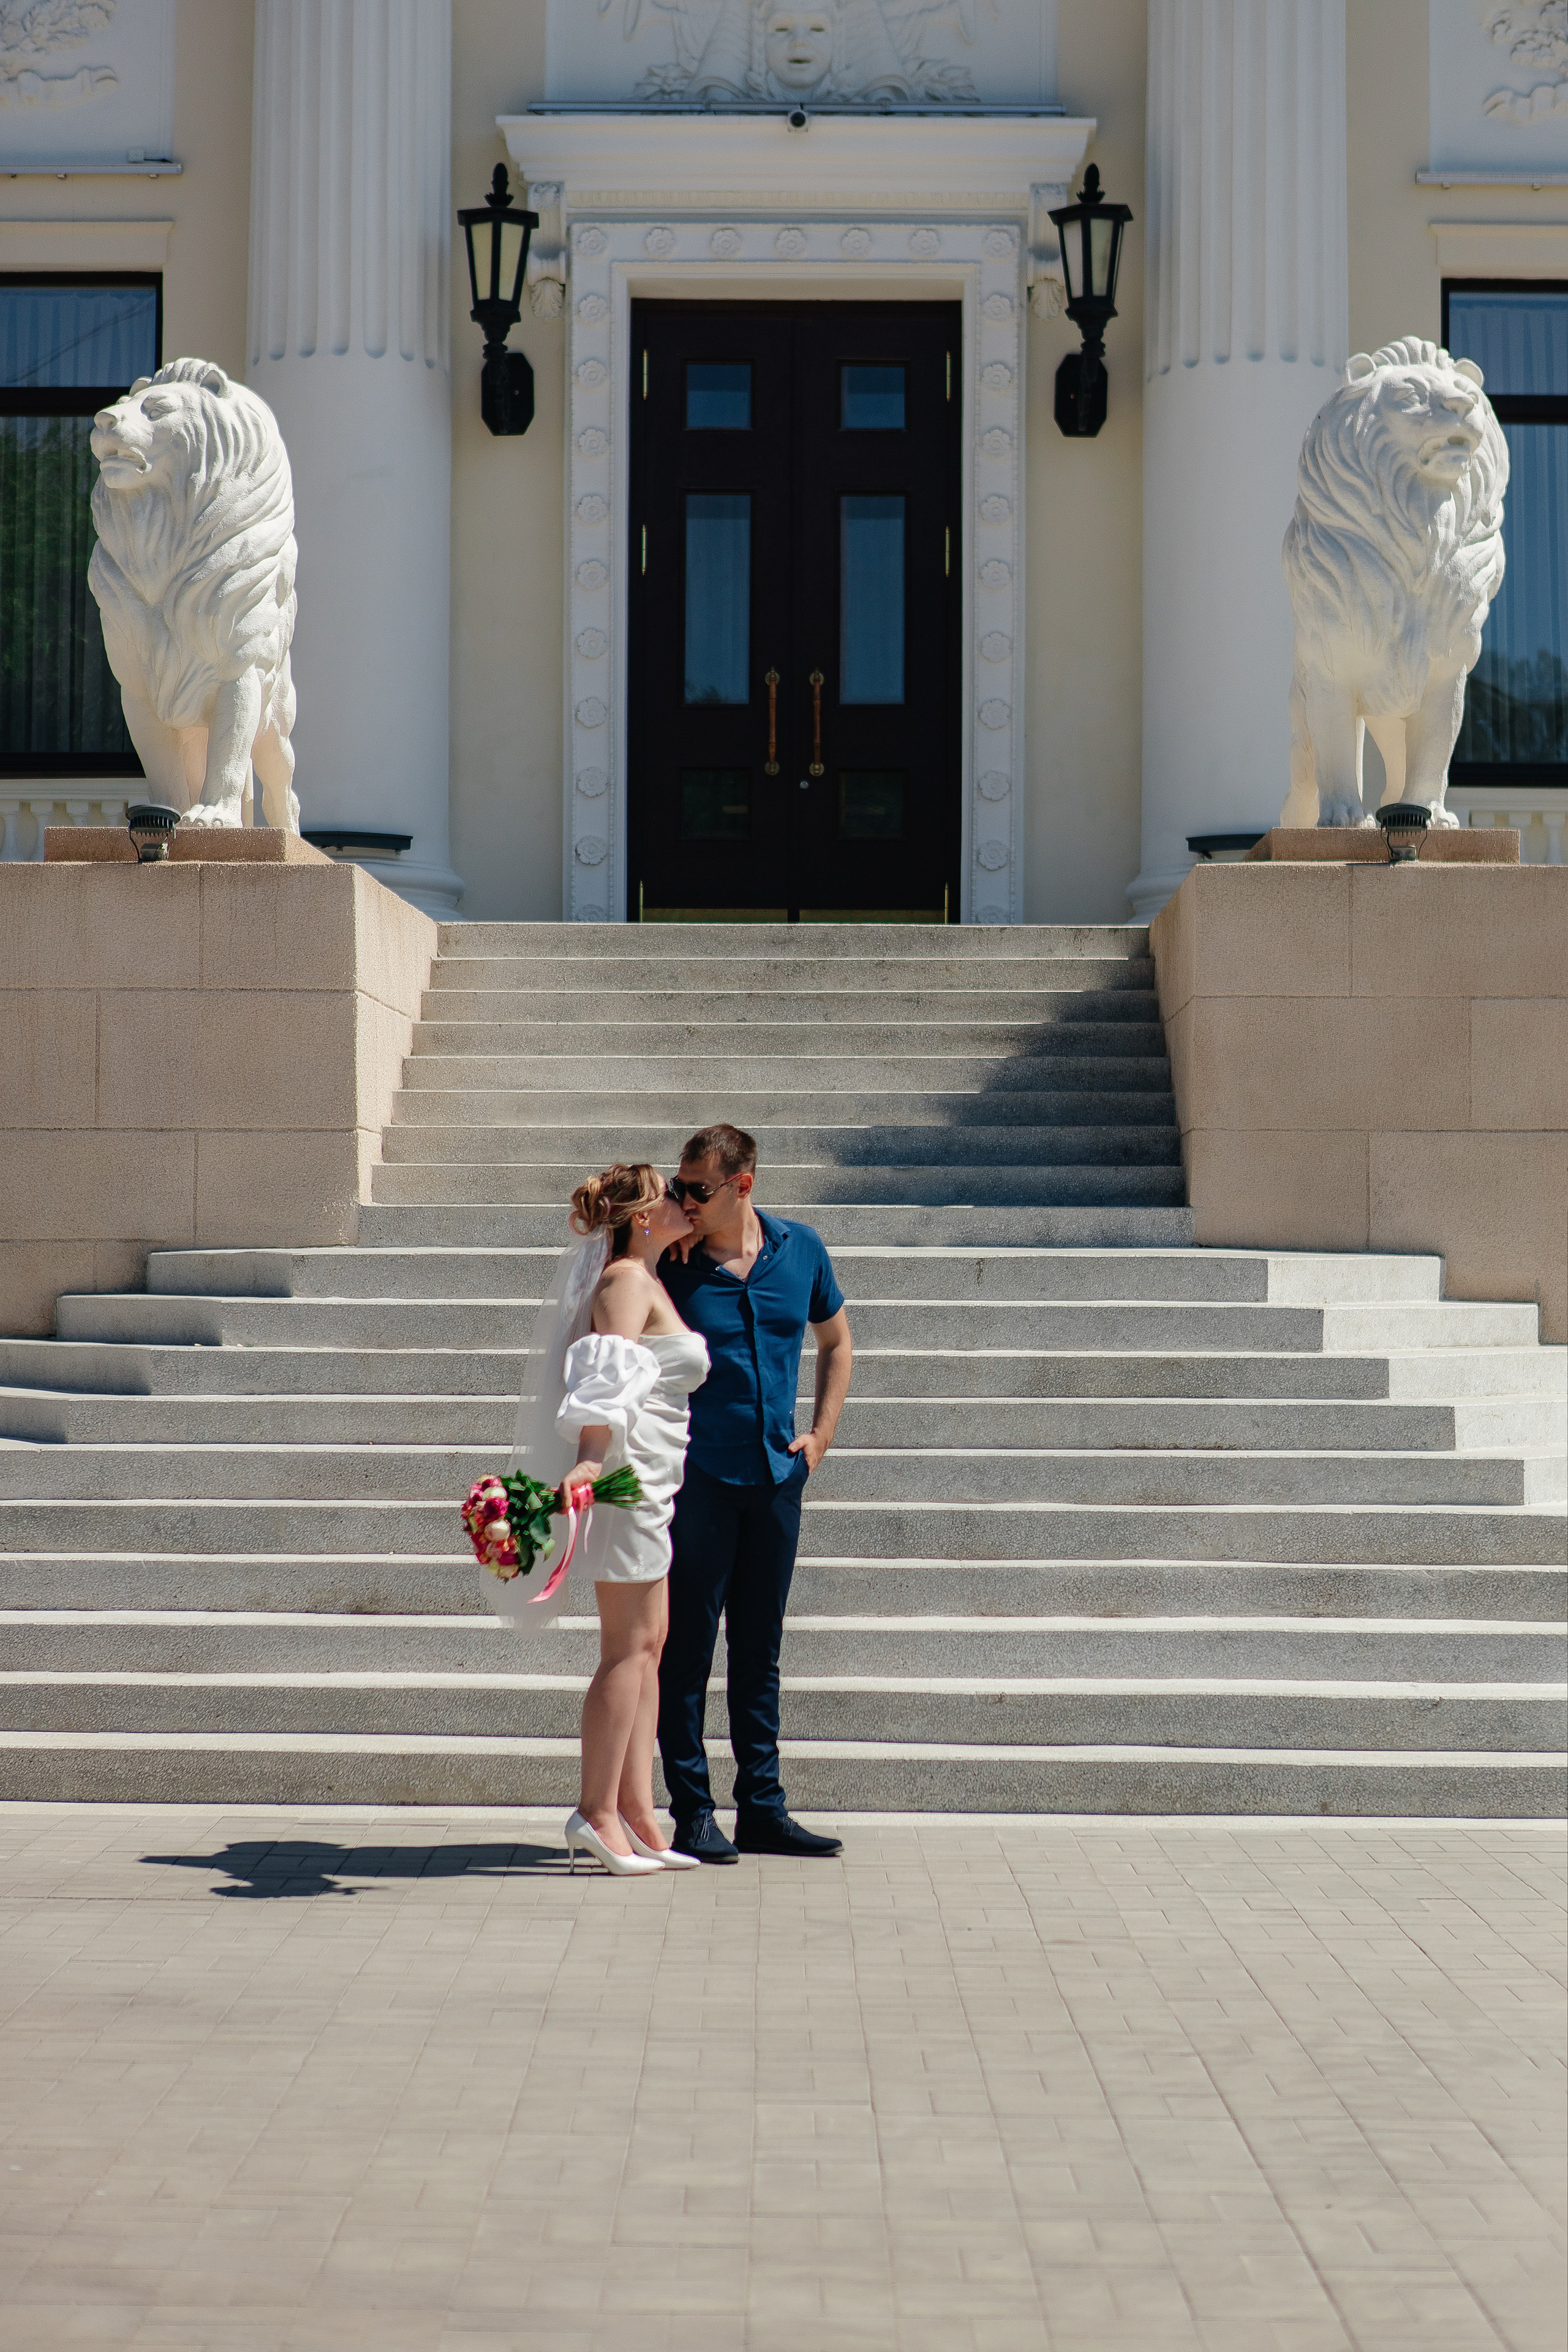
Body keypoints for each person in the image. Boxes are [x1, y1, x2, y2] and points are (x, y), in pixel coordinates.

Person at [656, 1122, 854, 1862]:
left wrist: (821, 1436)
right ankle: (692, 1812)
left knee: (759, 1649)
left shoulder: (800, 1250)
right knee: (686, 1650)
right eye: (679, 1187)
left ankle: (763, 1809)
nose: (684, 1201)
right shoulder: (670, 1266)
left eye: (697, 1190)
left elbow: (837, 1341)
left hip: (776, 1480)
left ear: (743, 1186)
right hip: (697, 1479)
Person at [506, 1163, 710, 1878]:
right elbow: (604, 1370)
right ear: (644, 1217)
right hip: (625, 1480)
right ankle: (595, 1811)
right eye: (675, 1195)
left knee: (650, 1642)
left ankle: (639, 1810)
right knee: (627, 1647)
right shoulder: (625, 1280)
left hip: (655, 1478)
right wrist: (592, 1461)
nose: (691, 1203)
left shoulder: (647, 1276)